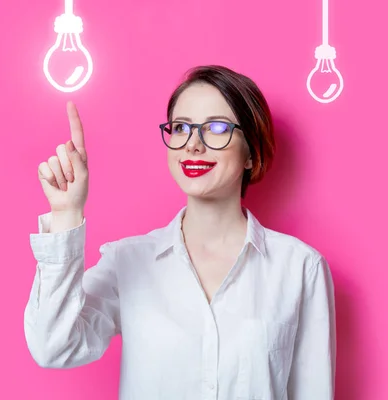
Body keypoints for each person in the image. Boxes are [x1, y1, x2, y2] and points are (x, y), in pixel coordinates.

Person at [23, 65, 336, 400]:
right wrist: (67, 213)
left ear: (251, 152)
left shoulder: (301, 268)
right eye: (181, 128)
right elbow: (53, 346)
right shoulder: (126, 261)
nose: (193, 145)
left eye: (216, 127)